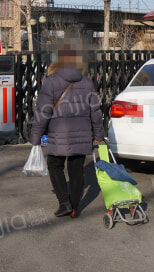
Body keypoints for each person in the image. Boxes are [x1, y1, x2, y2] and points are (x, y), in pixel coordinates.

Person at [30, 48, 104, 218]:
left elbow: (42, 113)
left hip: (58, 135)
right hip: (82, 135)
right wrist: (99, 135)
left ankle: (64, 202)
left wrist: (35, 138)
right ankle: (75, 208)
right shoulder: (87, 82)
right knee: (76, 170)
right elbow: (96, 112)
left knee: (55, 166)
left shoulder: (51, 82)